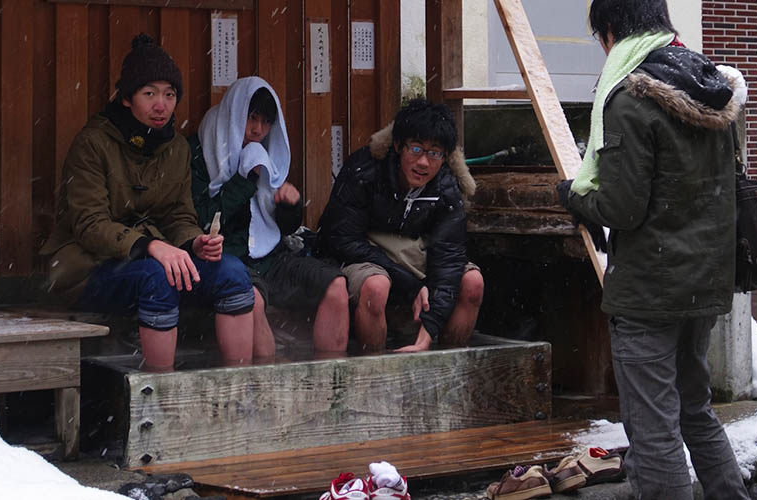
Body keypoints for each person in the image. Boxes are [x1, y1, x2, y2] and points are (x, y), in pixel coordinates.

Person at [558, 1, 749, 498]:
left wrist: (575, 196)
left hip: (650, 291)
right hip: (704, 284)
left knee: (653, 428)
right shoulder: (708, 84)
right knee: (694, 411)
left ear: (613, 31)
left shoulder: (632, 98)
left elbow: (622, 207)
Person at [40, 34, 256, 369]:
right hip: (89, 270)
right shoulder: (92, 144)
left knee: (231, 271)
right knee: (156, 277)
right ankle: (163, 392)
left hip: (157, 261)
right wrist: (149, 246)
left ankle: (239, 384)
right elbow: (89, 225)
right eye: (149, 93)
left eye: (169, 95)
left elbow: (179, 213)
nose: (161, 105)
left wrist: (193, 241)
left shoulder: (176, 148)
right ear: (127, 98)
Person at [190, 76, 349, 358]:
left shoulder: (264, 154)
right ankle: (269, 393)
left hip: (272, 259)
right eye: (252, 118)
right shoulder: (203, 149)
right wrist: (245, 179)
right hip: (230, 259)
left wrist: (289, 206)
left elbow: (280, 228)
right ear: (236, 113)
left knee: (335, 286)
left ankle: (332, 387)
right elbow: (203, 217)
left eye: (265, 123)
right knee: (252, 303)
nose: (258, 130)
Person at [317, 99, 484, 353]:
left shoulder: (446, 187)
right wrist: (411, 285)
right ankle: (375, 372)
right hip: (364, 257)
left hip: (418, 257)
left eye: (434, 153)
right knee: (376, 286)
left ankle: (447, 365)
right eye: (416, 149)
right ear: (398, 145)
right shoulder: (365, 170)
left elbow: (448, 258)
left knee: (472, 283)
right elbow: (343, 239)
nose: (424, 163)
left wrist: (425, 337)